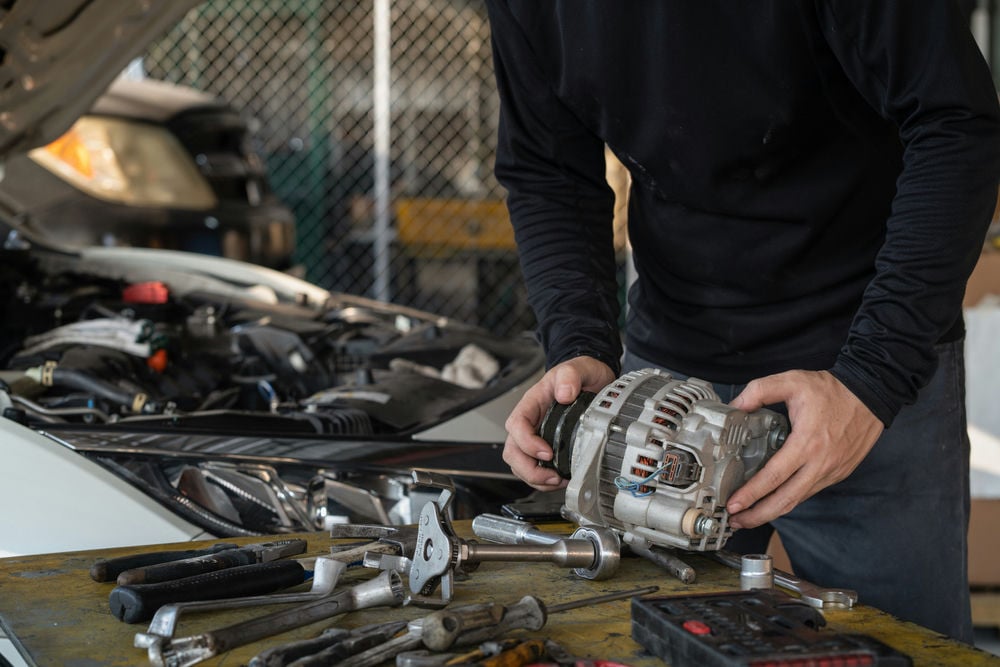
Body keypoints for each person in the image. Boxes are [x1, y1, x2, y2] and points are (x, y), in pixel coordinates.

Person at [484, 1, 1000, 643]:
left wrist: (872, 378)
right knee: (640, 646)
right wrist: (578, 345)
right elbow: (547, 169)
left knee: (901, 651)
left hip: (861, 378)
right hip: (666, 385)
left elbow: (956, 122)